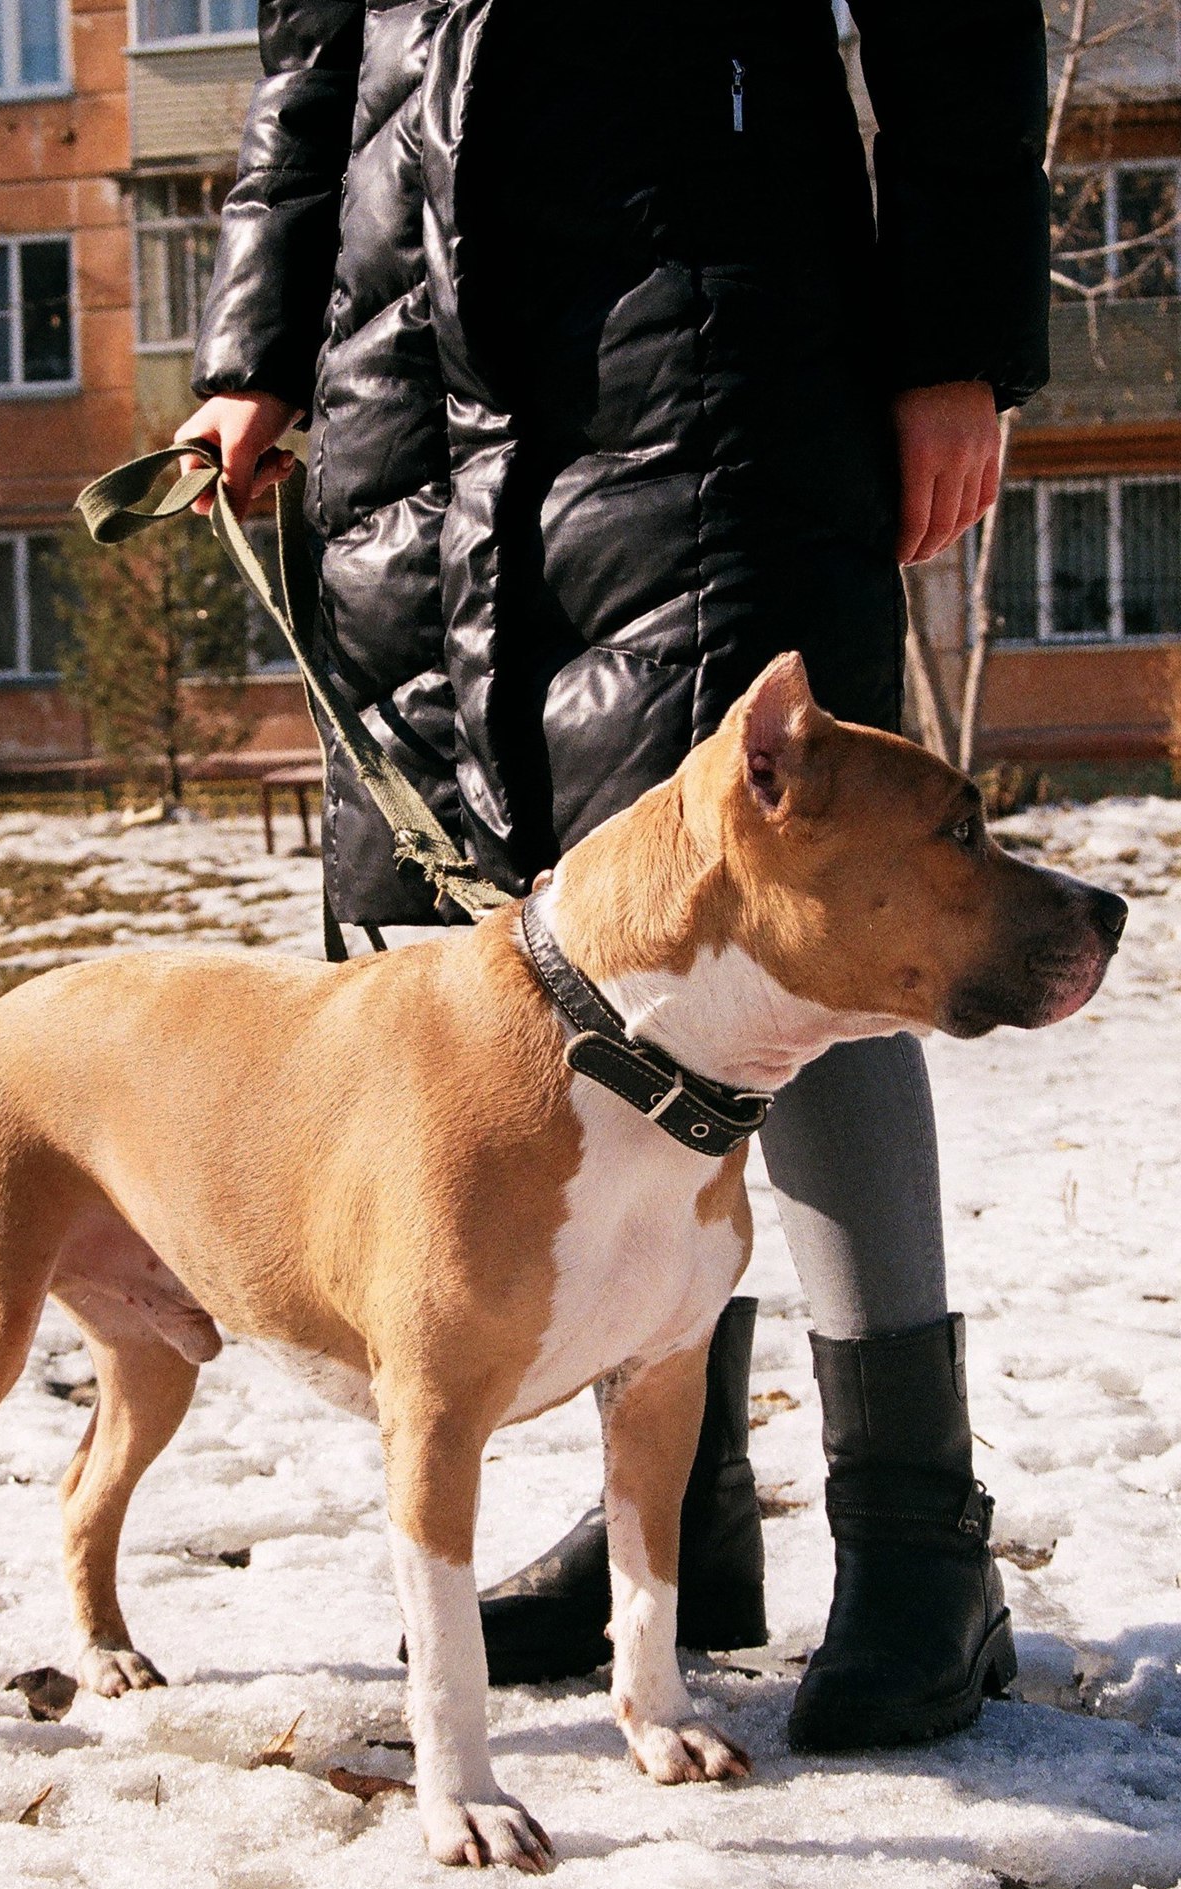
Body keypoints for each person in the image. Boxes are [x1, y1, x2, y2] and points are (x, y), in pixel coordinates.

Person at [179, 0, 1050, 1749]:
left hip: (714, 317)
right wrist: (256, 340)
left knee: (802, 921)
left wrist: (956, 337)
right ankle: (684, 1525)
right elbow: (308, 54)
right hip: (405, 364)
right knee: (519, 938)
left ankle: (912, 1541)